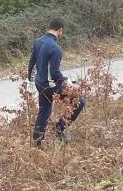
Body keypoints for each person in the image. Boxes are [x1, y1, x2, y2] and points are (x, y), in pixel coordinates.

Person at [27, 18, 86, 147]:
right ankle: (60, 127)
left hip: (40, 84)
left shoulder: (38, 42)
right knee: (80, 102)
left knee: (44, 111)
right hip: (51, 87)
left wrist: (30, 81)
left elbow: (31, 63)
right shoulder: (55, 49)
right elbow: (54, 73)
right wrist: (67, 82)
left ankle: (37, 142)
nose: (61, 34)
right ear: (60, 30)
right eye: (61, 32)